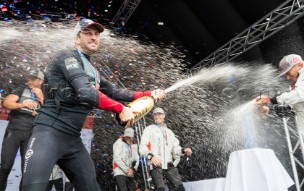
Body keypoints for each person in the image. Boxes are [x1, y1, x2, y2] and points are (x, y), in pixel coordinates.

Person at [21, 18, 165, 191]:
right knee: (32, 188)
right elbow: (85, 92)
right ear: (76, 38)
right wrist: (120, 108)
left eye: (96, 34)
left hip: (73, 140)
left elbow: (117, 92)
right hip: (48, 133)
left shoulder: (93, 71)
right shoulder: (66, 57)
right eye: (87, 33)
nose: (93, 38)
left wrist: (149, 94)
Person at [256, 54, 304, 177]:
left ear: (298, 65)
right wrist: (269, 110)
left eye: (287, 72)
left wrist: (271, 99)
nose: (287, 77)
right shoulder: (302, 81)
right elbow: (294, 109)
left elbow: (301, 95)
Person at [0, 70, 44, 191]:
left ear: (40, 81)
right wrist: (22, 105)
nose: (29, 81)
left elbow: (52, 113)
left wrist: (41, 97)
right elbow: (6, 103)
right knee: (5, 167)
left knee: (27, 171)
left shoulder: (46, 93)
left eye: (33, 79)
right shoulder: (22, 89)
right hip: (14, 131)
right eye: (29, 78)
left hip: (32, 135)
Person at [139, 107, 192, 191]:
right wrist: (151, 157)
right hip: (156, 165)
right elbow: (142, 147)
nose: (157, 116)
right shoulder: (149, 129)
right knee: (160, 189)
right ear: (153, 117)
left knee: (179, 188)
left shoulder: (169, 132)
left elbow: (176, 148)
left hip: (169, 165)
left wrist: (183, 150)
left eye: (159, 114)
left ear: (164, 116)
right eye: (155, 115)